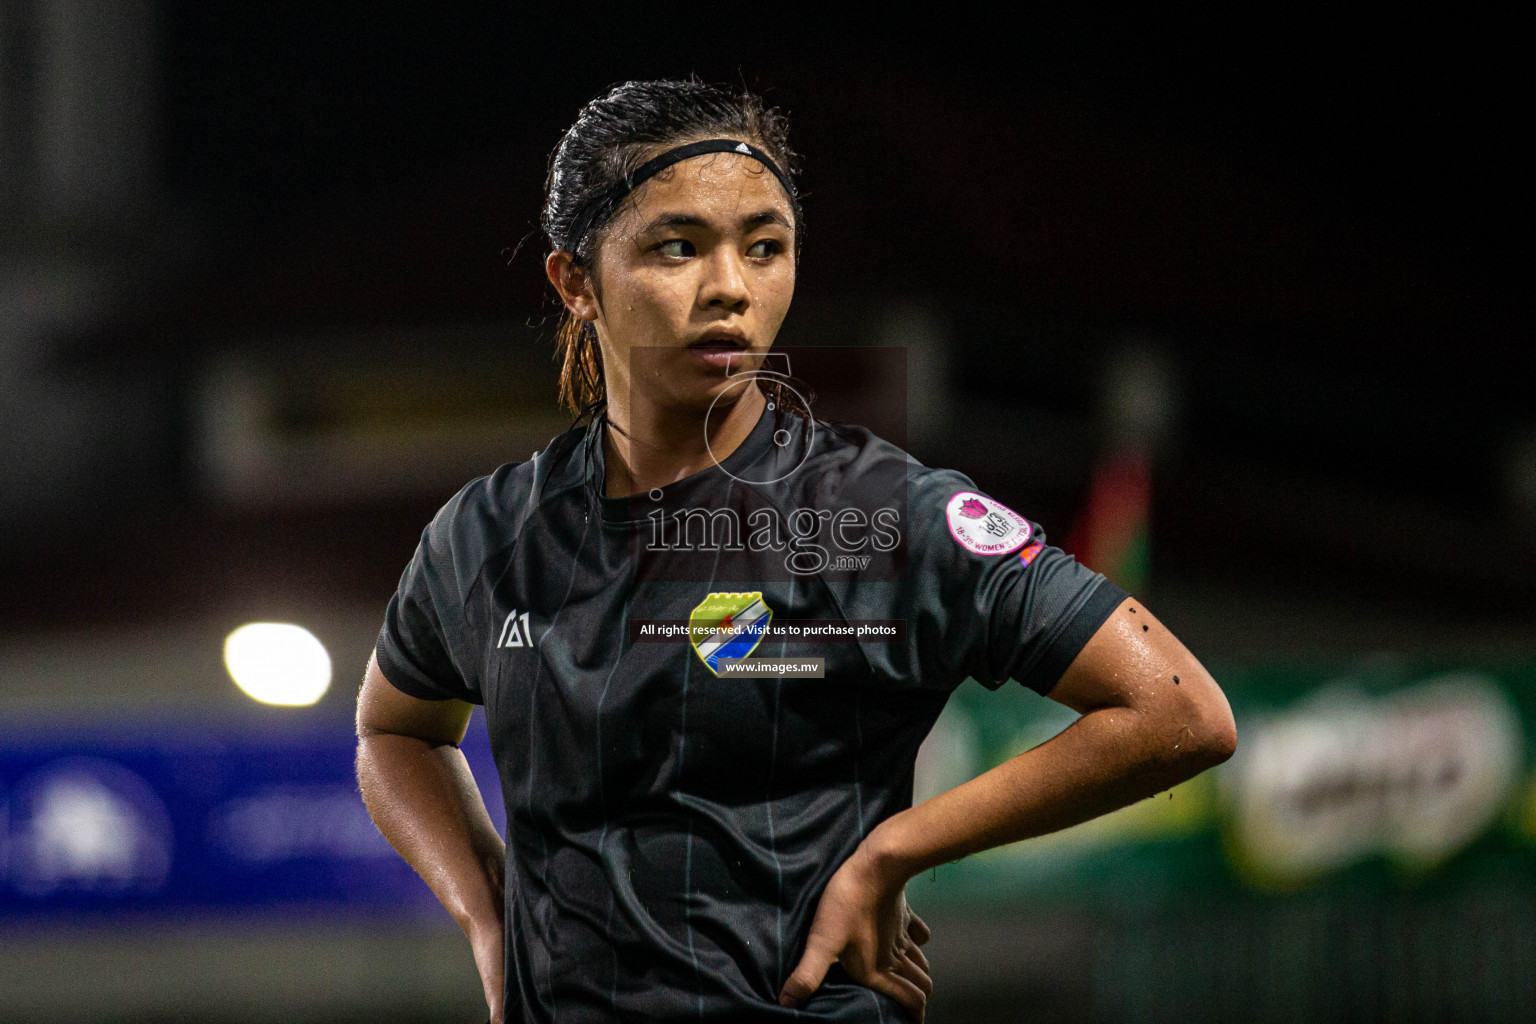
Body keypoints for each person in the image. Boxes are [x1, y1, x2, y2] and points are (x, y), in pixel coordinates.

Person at [355, 79, 1237, 1024]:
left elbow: (1177, 711)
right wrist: (486, 913)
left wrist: (894, 852)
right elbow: (394, 731)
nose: (730, 285)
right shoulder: (486, 535)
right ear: (577, 283)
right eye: (678, 246)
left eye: (765, 247)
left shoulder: (884, 514)